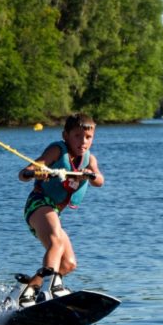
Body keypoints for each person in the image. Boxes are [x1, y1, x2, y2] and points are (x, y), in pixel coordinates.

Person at [17, 113, 104, 306]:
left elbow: (99, 181)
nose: (83, 141)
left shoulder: (89, 161)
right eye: (77, 136)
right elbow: (26, 172)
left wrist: (89, 175)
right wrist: (33, 172)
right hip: (38, 205)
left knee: (68, 263)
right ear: (66, 136)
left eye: (88, 137)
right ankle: (50, 288)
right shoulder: (57, 150)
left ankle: (28, 291)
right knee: (56, 242)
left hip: (53, 211)